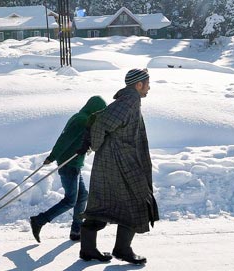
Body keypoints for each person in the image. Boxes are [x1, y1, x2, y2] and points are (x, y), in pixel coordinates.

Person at [78, 68, 160, 264]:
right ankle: (122, 249)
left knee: (104, 203)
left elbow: (102, 122)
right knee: (138, 200)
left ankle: (89, 249)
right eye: (147, 83)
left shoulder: (129, 102)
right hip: (120, 163)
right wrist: (94, 144)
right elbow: (101, 124)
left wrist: (95, 145)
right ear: (138, 85)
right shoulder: (127, 103)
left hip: (117, 162)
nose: (149, 87)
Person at [30, 96, 107, 243]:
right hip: (69, 165)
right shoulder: (82, 120)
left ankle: (76, 230)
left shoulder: (80, 117)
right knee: (70, 200)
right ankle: (39, 220)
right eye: (99, 112)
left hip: (73, 164)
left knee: (82, 195)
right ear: (95, 110)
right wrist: (52, 157)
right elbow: (64, 140)